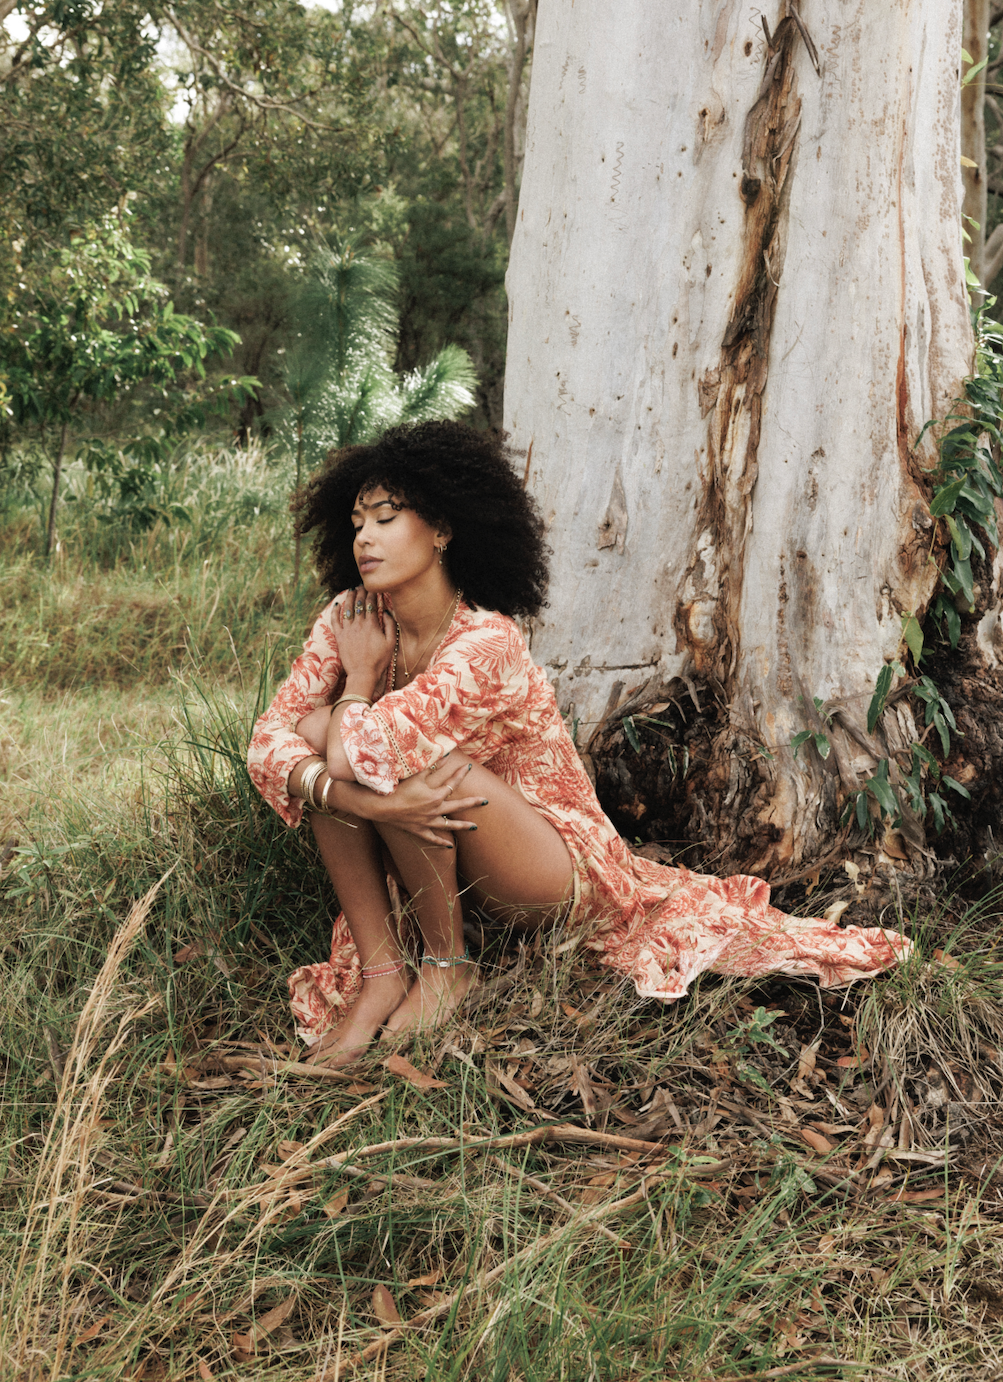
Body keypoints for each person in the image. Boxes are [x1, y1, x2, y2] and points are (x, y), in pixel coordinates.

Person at [247, 420, 910, 1065]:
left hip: (554, 869)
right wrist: (364, 795)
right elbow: (267, 741)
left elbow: (363, 755)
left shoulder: (486, 643)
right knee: (322, 738)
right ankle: (383, 971)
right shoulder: (349, 617)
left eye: (386, 517)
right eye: (358, 522)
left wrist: (359, 681)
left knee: (399, 759)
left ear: (443, 528)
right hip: (436, 846)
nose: (365, 537)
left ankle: (447, 968)